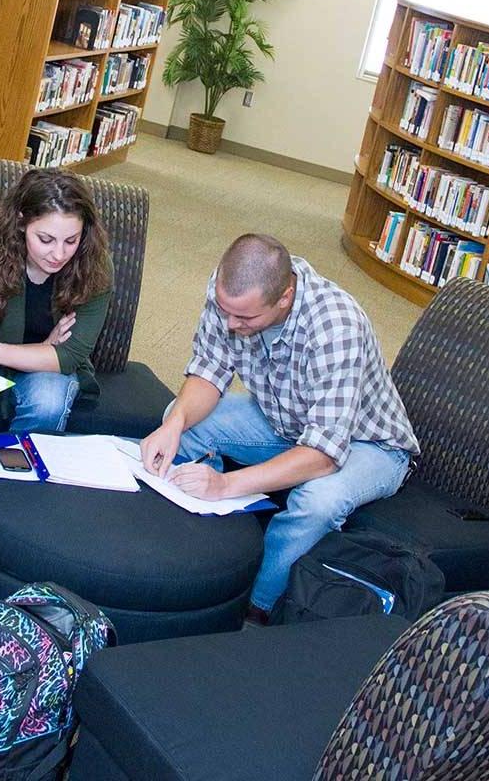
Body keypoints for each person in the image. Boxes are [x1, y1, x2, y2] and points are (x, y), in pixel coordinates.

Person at [139, 233, 418, 620]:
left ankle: (254, 609)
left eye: (245, 318)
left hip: (365, 445)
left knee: (317, 502)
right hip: (283, 421)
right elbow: (209, 370)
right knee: (179, 418)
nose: (231, 324)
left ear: (285, 297)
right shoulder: (232, 294)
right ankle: (198, 555)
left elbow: (323, 455)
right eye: (225, 311)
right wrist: (177, 422)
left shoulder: (337, 326)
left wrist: (226, 485)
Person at [0, 169, 114, 434]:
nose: (58, 254)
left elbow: (67, 357)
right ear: (21, 222)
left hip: (14, 361)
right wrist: (43, 349)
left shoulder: (95, 267)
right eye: (45, 239)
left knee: (48, 403)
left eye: (71, 241)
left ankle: (19, 472)